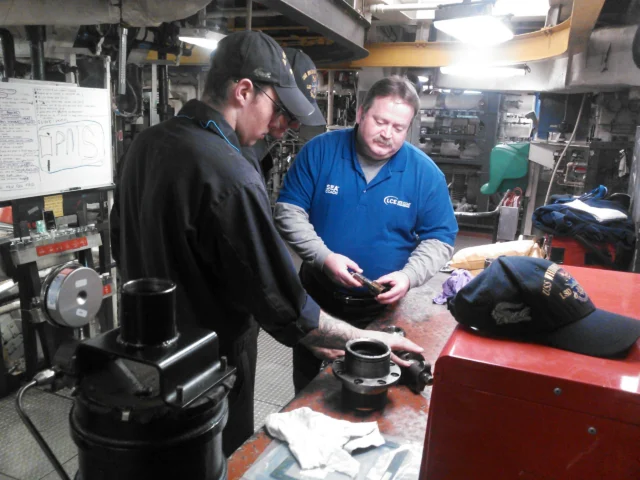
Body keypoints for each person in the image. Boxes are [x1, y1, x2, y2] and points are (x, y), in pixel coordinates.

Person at [110, 32, 422, 456]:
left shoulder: (147, 143)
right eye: (278, 109)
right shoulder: (229, 173)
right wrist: (367, 340)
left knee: (152, 458)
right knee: (216, 457)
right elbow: (283, 302)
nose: (283, 127)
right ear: (243, 92)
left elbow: (118, 241)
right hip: (210, 366)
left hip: (142, 355)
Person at [275, 75, 458, 392]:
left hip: (381, 309)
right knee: (309, 389)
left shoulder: (425, 174)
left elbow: (440, 239)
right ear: (360, 114)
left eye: (399, 128)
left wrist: (409, 276)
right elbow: (288, 211)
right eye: (380, 121)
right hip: (317, 299)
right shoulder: (320, 152)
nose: (388, 134)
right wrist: (324, 257)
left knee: (373, 386)